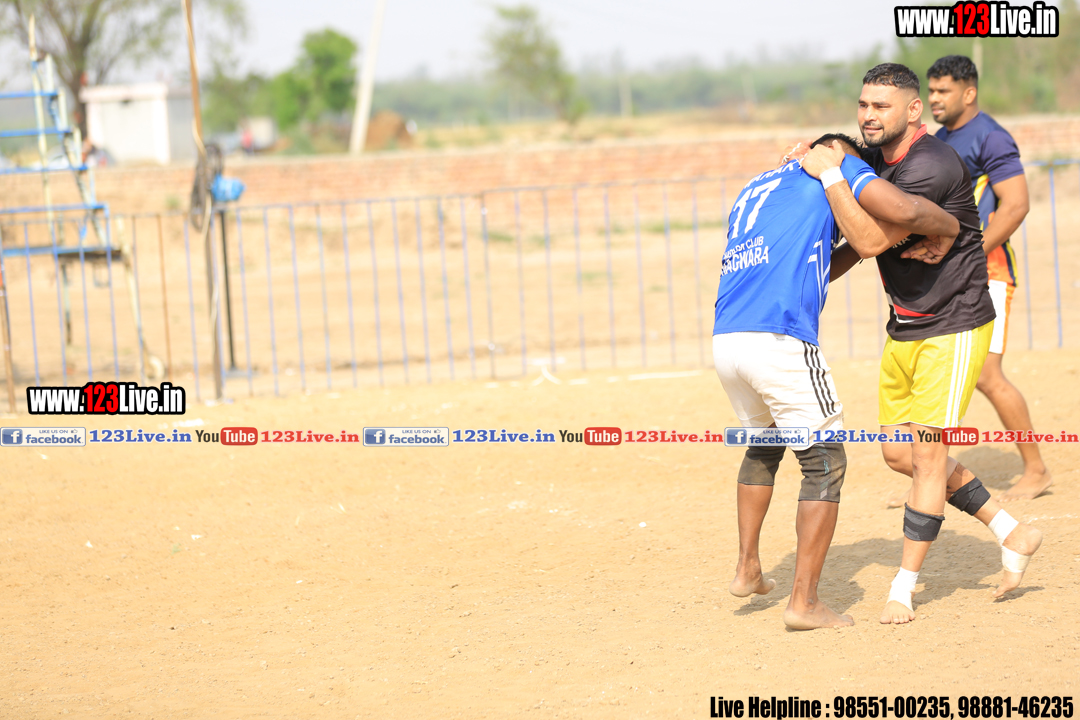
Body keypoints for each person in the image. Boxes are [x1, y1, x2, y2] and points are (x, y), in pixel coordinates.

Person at [806, 63, 1042, 625]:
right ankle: (1012, 531)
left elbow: (869, 238)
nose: (868, 115)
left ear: (913, 111)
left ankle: (903, 589)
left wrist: (832, 174)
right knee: (899, 455)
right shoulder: (873, 162)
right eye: (863, 105)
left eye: (881, 106)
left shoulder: (931, 163)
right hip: (906, 324)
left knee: (929, 455)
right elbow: (851, 237)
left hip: (954, 322)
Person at [713, 131, 960, 630]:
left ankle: (747, 567)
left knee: (765, 444)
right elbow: (876, 233)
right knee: (825, 462)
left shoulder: (760, 184)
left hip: (727, 337)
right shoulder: (835, 162)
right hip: (780, 337)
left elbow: (828, 262)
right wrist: (947, 224)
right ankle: (804, 603)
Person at [927, 54, 1052, 502]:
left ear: (969, 92)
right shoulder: (939, 140)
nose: (933, 98)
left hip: (989, 272)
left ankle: (1036, 469)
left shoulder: (991, 137)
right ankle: (929, 474)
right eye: (931, 90)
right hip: (947, 274)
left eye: (942, 91)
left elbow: (1015, 205)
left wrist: (969, 254)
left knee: (986, 374)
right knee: (939, 371)